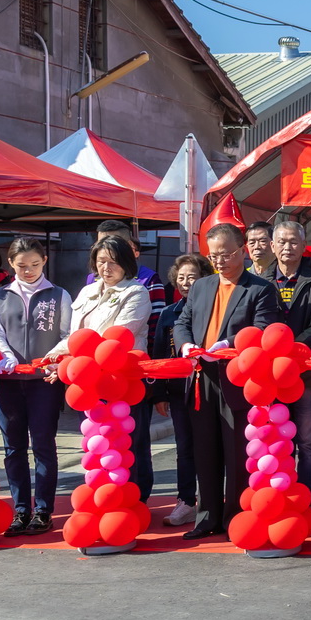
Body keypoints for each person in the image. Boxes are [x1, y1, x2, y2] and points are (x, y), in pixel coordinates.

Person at [175, 223, 282, 539]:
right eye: (213, 255)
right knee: (204, 450)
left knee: (237, 450)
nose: (219, 261)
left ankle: (235, 516)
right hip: (201, 376)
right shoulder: (202, 286)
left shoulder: (260, 289)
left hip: (238, 377)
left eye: (226, 254)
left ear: (242, 251)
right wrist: (185, 346)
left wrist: (229, 344)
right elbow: (183, 321)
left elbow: (264, 328)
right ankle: (207, 516)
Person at [0, 238, 72, 535]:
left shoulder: (58, 295)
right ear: (11, 264)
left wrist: (53, 356)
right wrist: (5, 354)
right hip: (7, 381)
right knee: (13, 448)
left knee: (44, 445)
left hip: (43, 381)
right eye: (22, 266)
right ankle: (20, 510)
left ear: (44, 261)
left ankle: (43, 510)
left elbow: (68, 334)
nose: (29, 270)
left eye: (35, 264)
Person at [88, 222, 167, 500]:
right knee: (100, 439)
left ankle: (137, 496)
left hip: (127, 372)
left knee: (132, 438)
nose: (105, 266)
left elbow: (146, 327)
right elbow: (76, 333)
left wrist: (155, 377)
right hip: (93, 377)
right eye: (100, 259)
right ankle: (103, 494)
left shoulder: (144, 283)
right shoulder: (89, 288)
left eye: (112, 258)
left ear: (128, 250)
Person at [268, 220, 311, 504]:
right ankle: (277, 494)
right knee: (274, 438)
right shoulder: (260, 283)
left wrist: (289, 349)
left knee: (306, 440)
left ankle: (304, 497)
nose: (287, 247)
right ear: (272, 246)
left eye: (293, 241)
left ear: (303, 246)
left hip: (306, 372)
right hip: (269, 373)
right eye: (281, 241)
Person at [155, 254, 211, 527]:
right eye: (181, 277)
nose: (186, 282)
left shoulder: (215, 308)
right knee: (184, 447)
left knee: (212, 446)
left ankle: (212, 499)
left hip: (211, 389)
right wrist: (159, 394)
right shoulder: (168, 313)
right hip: (179, 390)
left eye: (192, 277)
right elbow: (157, 356)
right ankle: (186, 500)